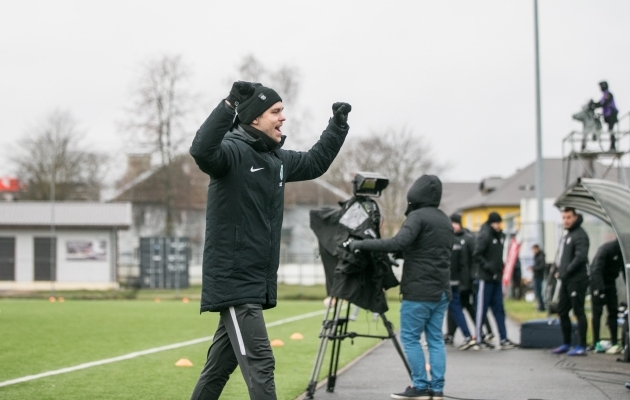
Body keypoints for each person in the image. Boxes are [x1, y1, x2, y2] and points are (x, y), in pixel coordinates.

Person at [189, 81, 351, 400]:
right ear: (254, 119)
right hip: (235, 282)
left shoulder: (277, 160)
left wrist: (337, 126)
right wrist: (229, 104)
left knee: (218, 368)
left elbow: (316, 162)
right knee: (261, 361)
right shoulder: (231, 152)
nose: (282, 118)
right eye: (275, 111)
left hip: (252, 283)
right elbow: (201, 150)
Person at [350, 175, 452, 400]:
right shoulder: (444, 219)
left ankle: (420, 387)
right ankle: (437, 389)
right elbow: (427, 249)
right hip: (442, 291)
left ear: (415, 195)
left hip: (418, 292)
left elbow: (398, 242)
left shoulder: (417, 217)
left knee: (410, 337)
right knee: (435, 339)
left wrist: (361, 244)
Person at [473, 212, 517, 350]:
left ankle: (503, 338)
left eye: (499, 223)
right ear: (491, 223)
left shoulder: (501, 236)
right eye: (496, 223)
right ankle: (479, 338)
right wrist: (488, 267)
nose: (498, 226)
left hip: (496, 278)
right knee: (482, 309)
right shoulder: (485, 235)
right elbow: (477, 254)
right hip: (485, 279)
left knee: (499, 309)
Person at [551, 207, 590, 357]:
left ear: (575, 217)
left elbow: (580, 257)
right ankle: (566, 343)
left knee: (578, 311)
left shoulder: (580, 235)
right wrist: (558, 269)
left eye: (568, 217)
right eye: (564, 218)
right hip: (566, 280)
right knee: (562, 310)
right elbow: (564, 257)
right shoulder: (567, 236)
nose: (565, 220)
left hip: (578, 279)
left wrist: (566, 270)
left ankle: (582, 345)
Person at [443, 213, 478, 350]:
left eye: (455, 223)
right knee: (454, 308)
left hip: (452, 281)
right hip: (455, 281)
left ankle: (468, 335)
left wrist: (467, 281)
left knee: (454, 308)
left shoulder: (459, 241)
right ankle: (459, 335)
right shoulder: (457, 242)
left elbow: (464, 264)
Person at [590, 240, 624, 354]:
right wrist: (600, 290)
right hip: (597, 282)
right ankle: (596, 342)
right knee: (597, 312)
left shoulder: (623, 252)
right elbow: (596, 270)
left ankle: (614, 342)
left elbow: (625, 270)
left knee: (613, 312)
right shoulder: (606, 249)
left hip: (610, 283)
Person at [591, 81, 619, 151]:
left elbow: (604, 103)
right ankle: (612, 146)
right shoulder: (605, 95)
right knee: (610, 130)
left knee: (611, 130)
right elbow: (601, 103)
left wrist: (595, 105)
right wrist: (593, 104)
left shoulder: (608, 94)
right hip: (608, 115)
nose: (600, 88)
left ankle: (613, 146)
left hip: (611, 114)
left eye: (601, 86)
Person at [529, 244, 546, 312]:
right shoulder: (536, 256)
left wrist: (534, 268)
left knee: (539, 292)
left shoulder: (541, 257)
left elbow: (541, 266)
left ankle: (542, 306)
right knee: (537, 292)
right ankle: (540, 305)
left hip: (539, 276)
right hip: (536, 276)